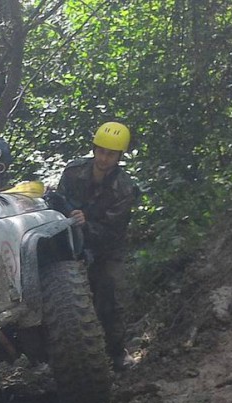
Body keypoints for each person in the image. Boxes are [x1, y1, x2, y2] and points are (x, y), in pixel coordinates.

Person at [56, 121, 139, 370]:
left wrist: (85, 224)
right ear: (94, 149)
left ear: (119, 156)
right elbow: (57, 202)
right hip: (68, 242)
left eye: (111, 154)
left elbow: (113, 231)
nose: (104, 158)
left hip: (106, 249)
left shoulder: (125, 188)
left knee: (110, 294)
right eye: (101, 151)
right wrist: (68, 215)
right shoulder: (73, 172)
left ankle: (116, 352)